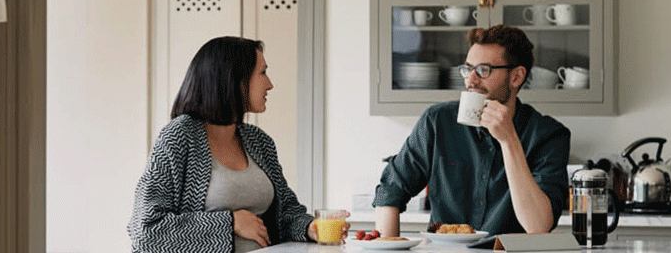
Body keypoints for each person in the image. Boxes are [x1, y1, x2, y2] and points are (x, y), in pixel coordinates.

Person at [128, 36, 344, 252]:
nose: (270, 84)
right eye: (262, 73)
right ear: (234, 79)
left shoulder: (259, 141)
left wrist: (309, 227)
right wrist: (231, 222)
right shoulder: (179, 136)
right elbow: (146, 229)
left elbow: (286, 212)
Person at [373, 25, 571, 236]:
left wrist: (508, 139)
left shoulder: (549, 135)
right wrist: (388, 246)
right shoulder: (437, 121)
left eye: (483, 70)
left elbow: (538, 226)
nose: (471, 80)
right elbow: (390, 191)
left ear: (516, 77)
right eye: (468, 69)